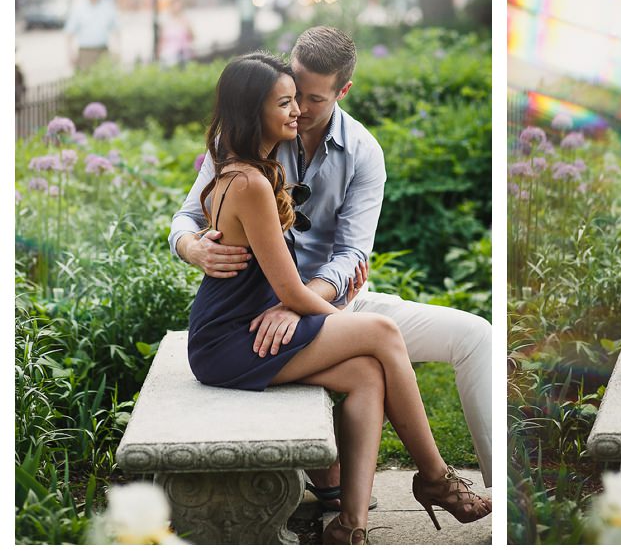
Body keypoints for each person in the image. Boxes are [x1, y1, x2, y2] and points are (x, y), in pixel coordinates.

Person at [169, 26, 491, 503]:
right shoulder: (249, 137)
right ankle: (414, 479)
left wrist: (298, 305)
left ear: (343, 91)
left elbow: (352, 256)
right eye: (291, 92)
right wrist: (191, 248)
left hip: (329, 303)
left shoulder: (363, 151)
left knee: (476, 335)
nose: (298, 106)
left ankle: (487, 500)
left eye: (311, 98)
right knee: (378, 347)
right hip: (262, 315)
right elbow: (188, 215)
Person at [64, 0, 118, 73]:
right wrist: (70, 53)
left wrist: (117, 50)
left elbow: (116, 30)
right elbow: (69, 33)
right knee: (85, 76)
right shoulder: (79, 9)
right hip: (86, 52)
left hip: (103, 50)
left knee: (104, 77)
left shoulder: (107, 7)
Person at [159, 0, 195, 66]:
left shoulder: (185, 20)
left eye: (178, 5)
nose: (177, 7)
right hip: (168, 56)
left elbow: (192, 38)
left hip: (183, 56)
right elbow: (162, 40)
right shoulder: (166, 21)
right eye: (174, 5)